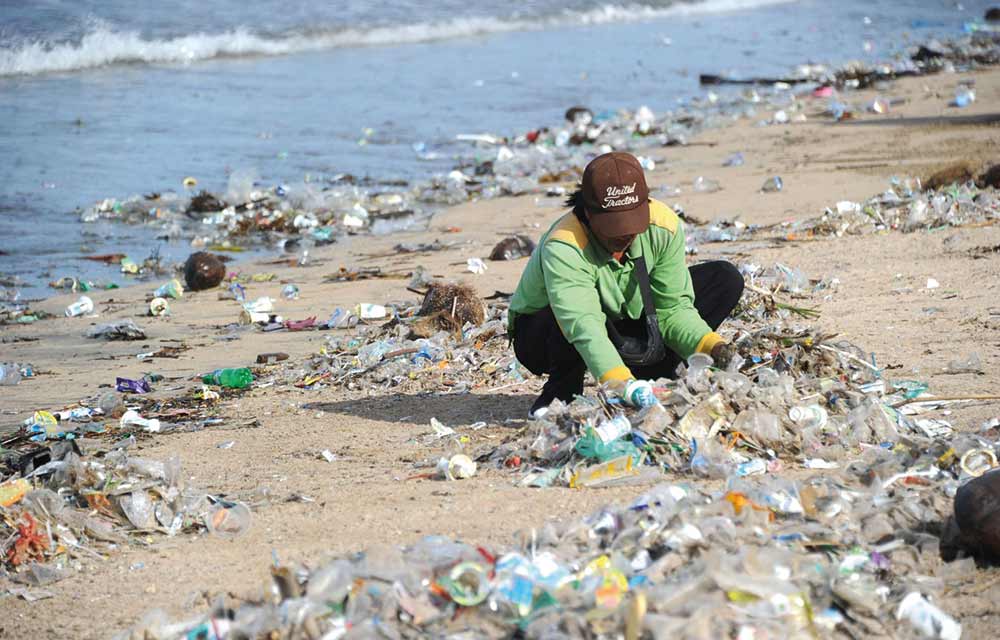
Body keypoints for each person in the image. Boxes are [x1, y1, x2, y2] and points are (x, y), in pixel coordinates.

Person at [509, 151, 744, 416]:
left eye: (633, 221)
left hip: (620, 320)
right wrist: (621, 385)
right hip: (546, 334)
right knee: (562, 312)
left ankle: (657, 369)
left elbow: (673, 309)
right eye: (614, 225)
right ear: (588, 212)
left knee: (724, 279)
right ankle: (561, 392)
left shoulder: (663, 226)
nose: (625, 234)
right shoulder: (565, 245)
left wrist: (712, 347)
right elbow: (584, 324)